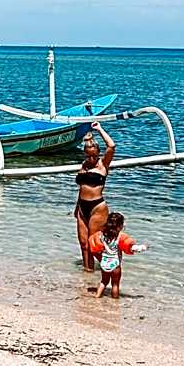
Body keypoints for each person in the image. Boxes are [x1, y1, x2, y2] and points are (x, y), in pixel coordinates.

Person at [74, 122, 116, 271]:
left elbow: (111, 146)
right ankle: (87, 274)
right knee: (84, 244)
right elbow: (81, 188)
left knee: (94, 244)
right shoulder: (84, 165)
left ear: (98, 152)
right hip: (81, 207)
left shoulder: (103, 164)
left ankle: (111, 268)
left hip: (97, 207)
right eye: (88, 155)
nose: (91, 158)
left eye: (94, 155)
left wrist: (99, 129)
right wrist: (76, 207)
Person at [89, 211, 148, 299]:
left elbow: (95, 245)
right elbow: (132, 248)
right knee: (115, 284)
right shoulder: (119, 238)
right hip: (115, 264)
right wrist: (143, 247)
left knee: (103, 282)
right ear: (120, 226)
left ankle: (97, 296)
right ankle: (115, 299)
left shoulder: (102, 236)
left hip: (104, 262)